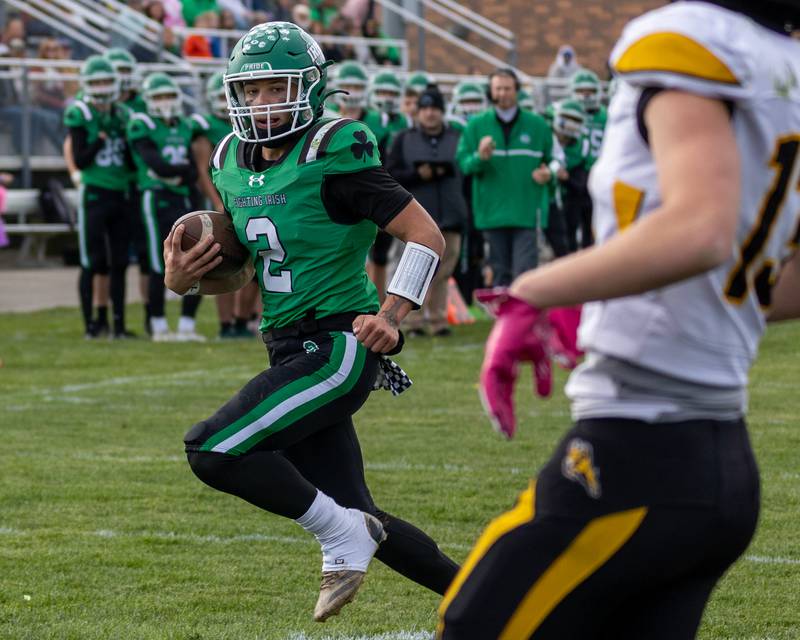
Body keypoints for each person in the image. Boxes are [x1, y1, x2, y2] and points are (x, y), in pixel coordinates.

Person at [438, 1, 799, 638]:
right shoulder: (786, 68)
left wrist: (534, 291)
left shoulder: (688, 37)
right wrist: (606, 294)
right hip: (721, 462)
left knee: (470, 623)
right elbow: (774, 277)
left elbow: (700, 231)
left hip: (641, 450)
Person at [165, 21, 459, 622]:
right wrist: (185, 279)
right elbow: (247, 266)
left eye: (275, 88)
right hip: (286, 347)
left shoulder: (335, 150)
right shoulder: (229, 159)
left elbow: (425, 235)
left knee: (212, 448)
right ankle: (499, 606)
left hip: (338, 345)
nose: (262, 104)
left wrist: (391, 314)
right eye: (251, 92)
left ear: (309, 86)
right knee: (361, 511)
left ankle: (339, 536)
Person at [456, 68, 554, 287]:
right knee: (499, 275)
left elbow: (556, 160)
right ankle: (503, 321)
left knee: (525, 274)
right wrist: (479, 157)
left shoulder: (538, 125)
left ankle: (524, 320)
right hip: (491, 213)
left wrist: (550, 172)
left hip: (527, 212)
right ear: (490, 92)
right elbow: (464, 165)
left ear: (517, 91)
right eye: (498, 88)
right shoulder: (476, 125)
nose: (503, 93)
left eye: (508, 88)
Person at [126, 72, 204, 341]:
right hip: (155, 196)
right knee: (160, 261)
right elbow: (156, 165)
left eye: (169, 95)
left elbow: (193, 172)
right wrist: (177, 171)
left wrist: (176, 172)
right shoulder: (142, 123)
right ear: (148, 100)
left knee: (196, 259)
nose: (165, 101)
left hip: (182, 197)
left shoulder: (185, 124)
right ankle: (158, 325)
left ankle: (186, 325)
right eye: (158, 97)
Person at [386, 85, 467, 336]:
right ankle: (412, 322)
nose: (430, 114)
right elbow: (389, 174)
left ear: (443, 112)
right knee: (413, 270)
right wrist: (417, 175)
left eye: (435, 109)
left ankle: (439, 320)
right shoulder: (403, 138)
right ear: (418, 112)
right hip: (415, 218)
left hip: (451, 213)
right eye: (425, 108)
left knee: (444, 272)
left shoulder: (457, 137)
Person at [63, 55, 135, 339]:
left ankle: (117, 324)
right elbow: (80, 159)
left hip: (121, 192)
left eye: (107, 80)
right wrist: (101, 139)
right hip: (94, 191)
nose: (103, 87)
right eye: (97, 82)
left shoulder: (123, 114)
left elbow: (131, 161)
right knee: (93, 261)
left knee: (119, 262)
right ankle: (91, 324)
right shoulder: (81, 112)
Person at [190, 71, 259, 339]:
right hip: (221, 202)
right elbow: (202, 170)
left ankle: (244, 319)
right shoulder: (205, 126)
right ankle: (226, 324)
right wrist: (218, 202)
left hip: (248, 198)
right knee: (225, 264)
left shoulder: (250, 123)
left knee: (253, 267)